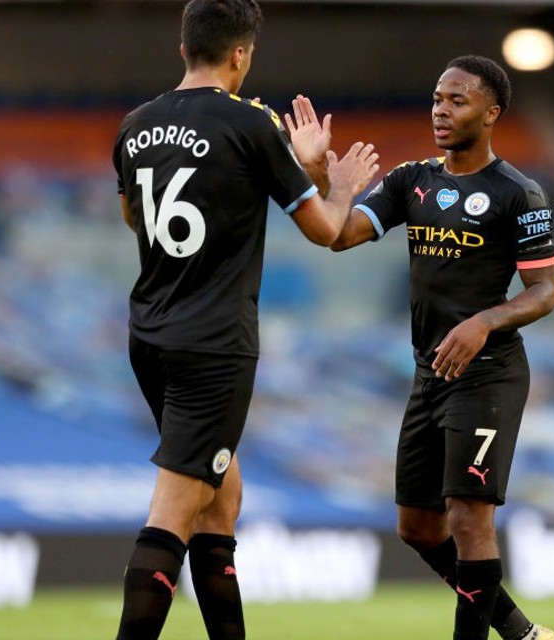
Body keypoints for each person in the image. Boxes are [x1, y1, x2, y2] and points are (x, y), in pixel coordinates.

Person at [110, 2, 378, 639]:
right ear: (240, 55)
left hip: (149, 334)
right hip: (215, 343)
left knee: (220, 496)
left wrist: (293, 172)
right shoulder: (250, 121)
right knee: (177, 506)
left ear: (183, 48)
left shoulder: (134, 124)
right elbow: (324, 231)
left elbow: (133, 220)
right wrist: (335, 182)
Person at [327, 55, 554, 640]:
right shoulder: (412, 181)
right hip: (430, 373)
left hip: (488, 375)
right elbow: (339, 234)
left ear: (491, 113)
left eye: (458, 100)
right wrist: (328, 185)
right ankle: (523, 634)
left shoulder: (518, 193)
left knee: (467, 517)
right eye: (437, 98)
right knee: (418, 528)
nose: (441, 109)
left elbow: (545, 291)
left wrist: (484, 321)